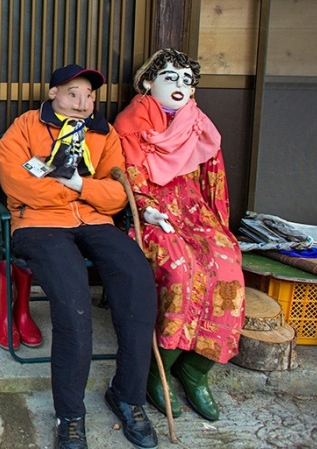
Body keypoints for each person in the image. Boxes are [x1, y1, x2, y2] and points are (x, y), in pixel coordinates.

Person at [0, 64, 158, 449]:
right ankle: (69, 415)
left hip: (95, 221)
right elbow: (20, 185)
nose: (83, 102)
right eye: (73, 93)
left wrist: (78, 185)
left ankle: (127, 395)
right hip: (39, 223)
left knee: (138, 282)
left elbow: (117, 195)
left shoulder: (104, 133)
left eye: (89, 95)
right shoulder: (25, 127)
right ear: (53, 93)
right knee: (73, 301)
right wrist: (82, 188)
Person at [113, 48, 245, 422]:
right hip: (152, 216)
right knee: (181, 272)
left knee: (227, 267)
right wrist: (144, 210)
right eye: (170, 77)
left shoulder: (199, 125)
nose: (180, 86)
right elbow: (124, 178)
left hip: (197, 215)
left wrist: (218, 227)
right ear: (147, 82)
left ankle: (196, 369)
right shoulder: (130, 125)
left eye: (187, 80)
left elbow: (214, 184)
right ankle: (161, 369)